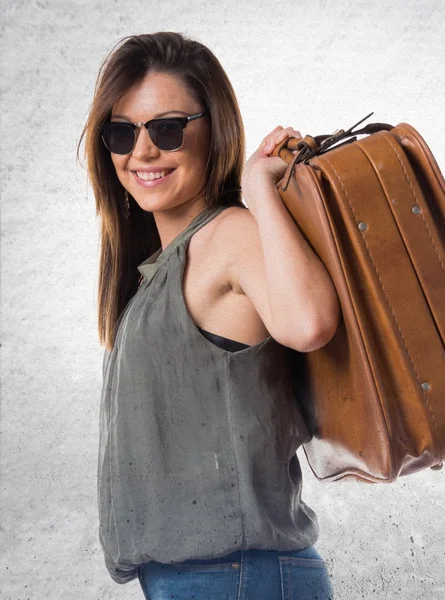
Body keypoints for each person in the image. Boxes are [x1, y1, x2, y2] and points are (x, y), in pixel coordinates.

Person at [77, 31, 339, 599]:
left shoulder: (228, 234)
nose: (141, 152)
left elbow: (309, 324)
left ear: (212, 129)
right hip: (206, 580)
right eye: (122, 132)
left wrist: (258, 190)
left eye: (167, 128)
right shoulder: (161, 267)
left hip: (237, 577)